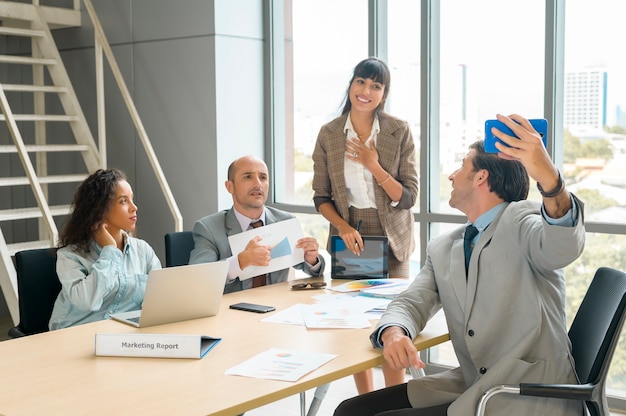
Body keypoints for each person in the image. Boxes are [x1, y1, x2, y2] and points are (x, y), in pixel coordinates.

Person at [333, 114, 586, 416]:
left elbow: (563, 245)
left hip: (524, 392)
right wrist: (395, 332)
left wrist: (549, 179)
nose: (452, 176)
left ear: (481, 177)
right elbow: (413, 301)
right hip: (475, 382)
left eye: (462, 165)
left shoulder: (522, 220)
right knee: (351, 410)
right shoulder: (444, 247)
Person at [312, 57, 418, 392]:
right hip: (352, 232)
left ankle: (392, 401)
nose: (366, 91)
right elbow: (320, 196)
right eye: (361, 82)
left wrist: (374, 165)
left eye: (376, 85)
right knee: (357, 326)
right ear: (351, 85)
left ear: (383, 94)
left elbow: (408, 197)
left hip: (393, 234)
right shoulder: (329, 134)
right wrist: (342, 226)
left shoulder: (397, 131)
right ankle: (366, 402)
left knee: (393, 323)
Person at [189, 155, 325, 294]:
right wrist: (241, 261)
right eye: (248, 177)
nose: (258, 184)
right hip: (234, 311)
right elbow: (198, 278)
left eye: (263, 177)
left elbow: (311, 269)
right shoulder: (209, 228)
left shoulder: (285, 220)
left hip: (278, 307)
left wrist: (312, 260)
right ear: (230, 187)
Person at [49, 168, 161, 330]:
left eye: (132, 199)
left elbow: (160, 298)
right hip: (76, 332)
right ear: (100, 208)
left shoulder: (143, 250)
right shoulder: (70, 255)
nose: (134, 207)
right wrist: (109, 250)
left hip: (123, 334)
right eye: (123, 201)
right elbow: (87, 301)